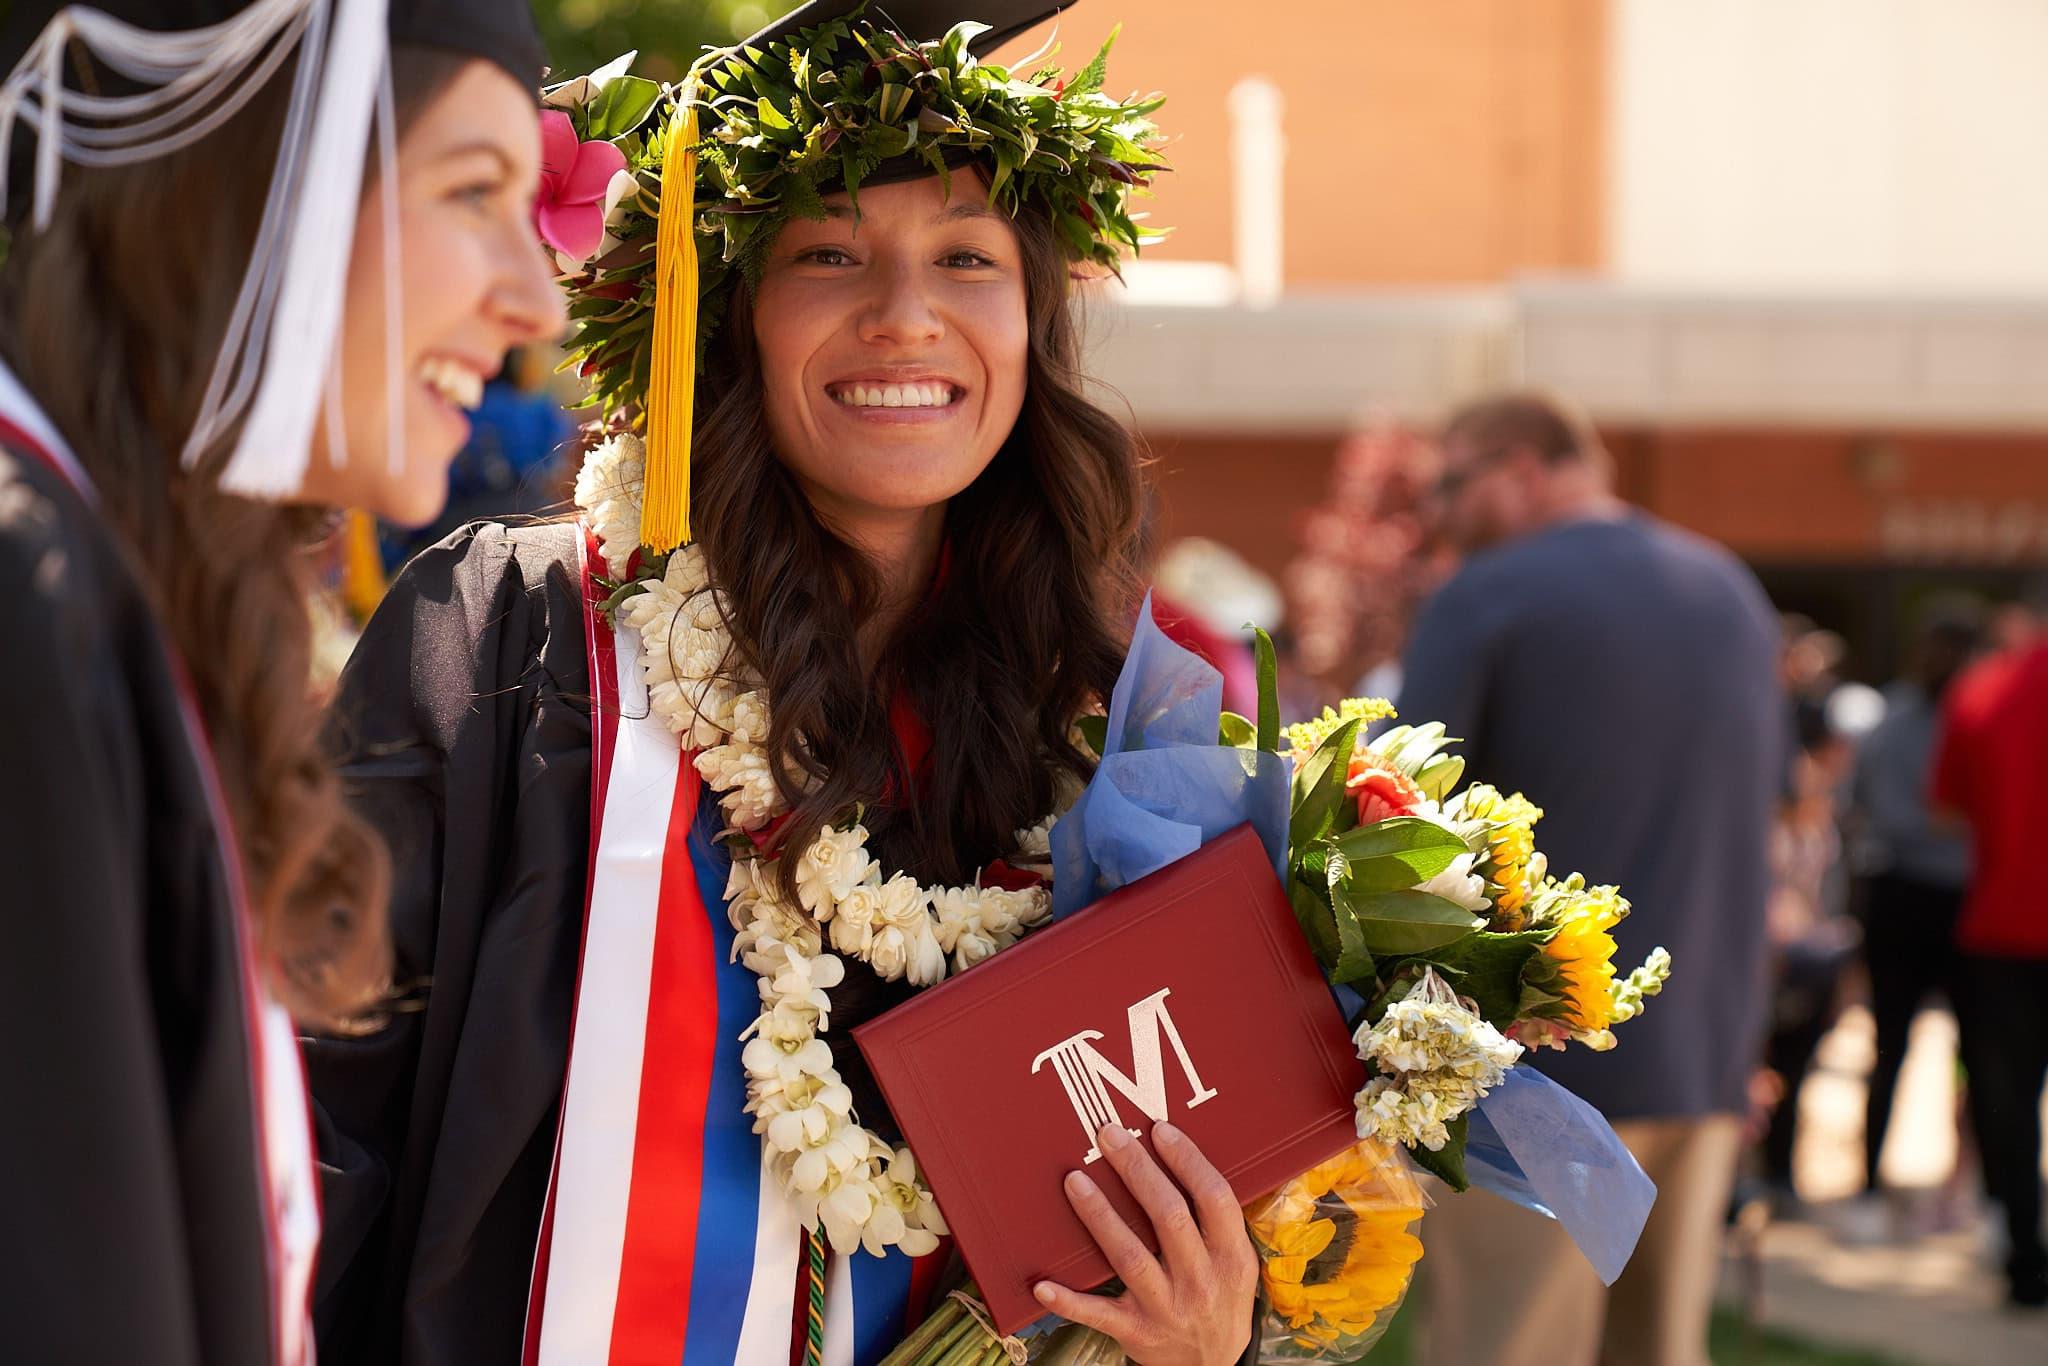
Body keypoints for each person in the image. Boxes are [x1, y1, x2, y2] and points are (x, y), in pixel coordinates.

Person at [305, 4, 1258, 1363]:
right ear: (728, 311)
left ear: (1033, 323)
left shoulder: (1096, 748)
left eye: (967, 257)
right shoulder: (513, 639)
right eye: (827, 251)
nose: (906, 314)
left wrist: (1209, 1335)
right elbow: (314, 1136)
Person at [0, 2, 560, 1363]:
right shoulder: (29, 606)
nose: (539, 294)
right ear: (257, 180)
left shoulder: (111, 591)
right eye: (473, 191)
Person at [1393, 392, 1783, 1366]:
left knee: (1505, 1348)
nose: (1437, 514)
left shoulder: (1487, 593)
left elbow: (1396, 832)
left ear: (1522, 467)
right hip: (1696, 1059)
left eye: (1450, 481)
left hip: (1524, 1081)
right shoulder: (1729, 591)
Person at [1843, 603, 1980, 1226]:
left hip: (1938, 894)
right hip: (1928, 894)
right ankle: (1894, 1187)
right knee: (1910, 1047)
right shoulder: (1906, 719)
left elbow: (1865, 806)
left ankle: (1950, 1189)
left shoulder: (1963, 716)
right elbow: (1873, 808)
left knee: (1961, 1049)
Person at [1930, 590, 2048, 1310]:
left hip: (2003, 927)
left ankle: (2024, 1257)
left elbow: (1945, 810)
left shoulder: (1982, 690)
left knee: (2007, 1099)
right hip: (2002, 926)